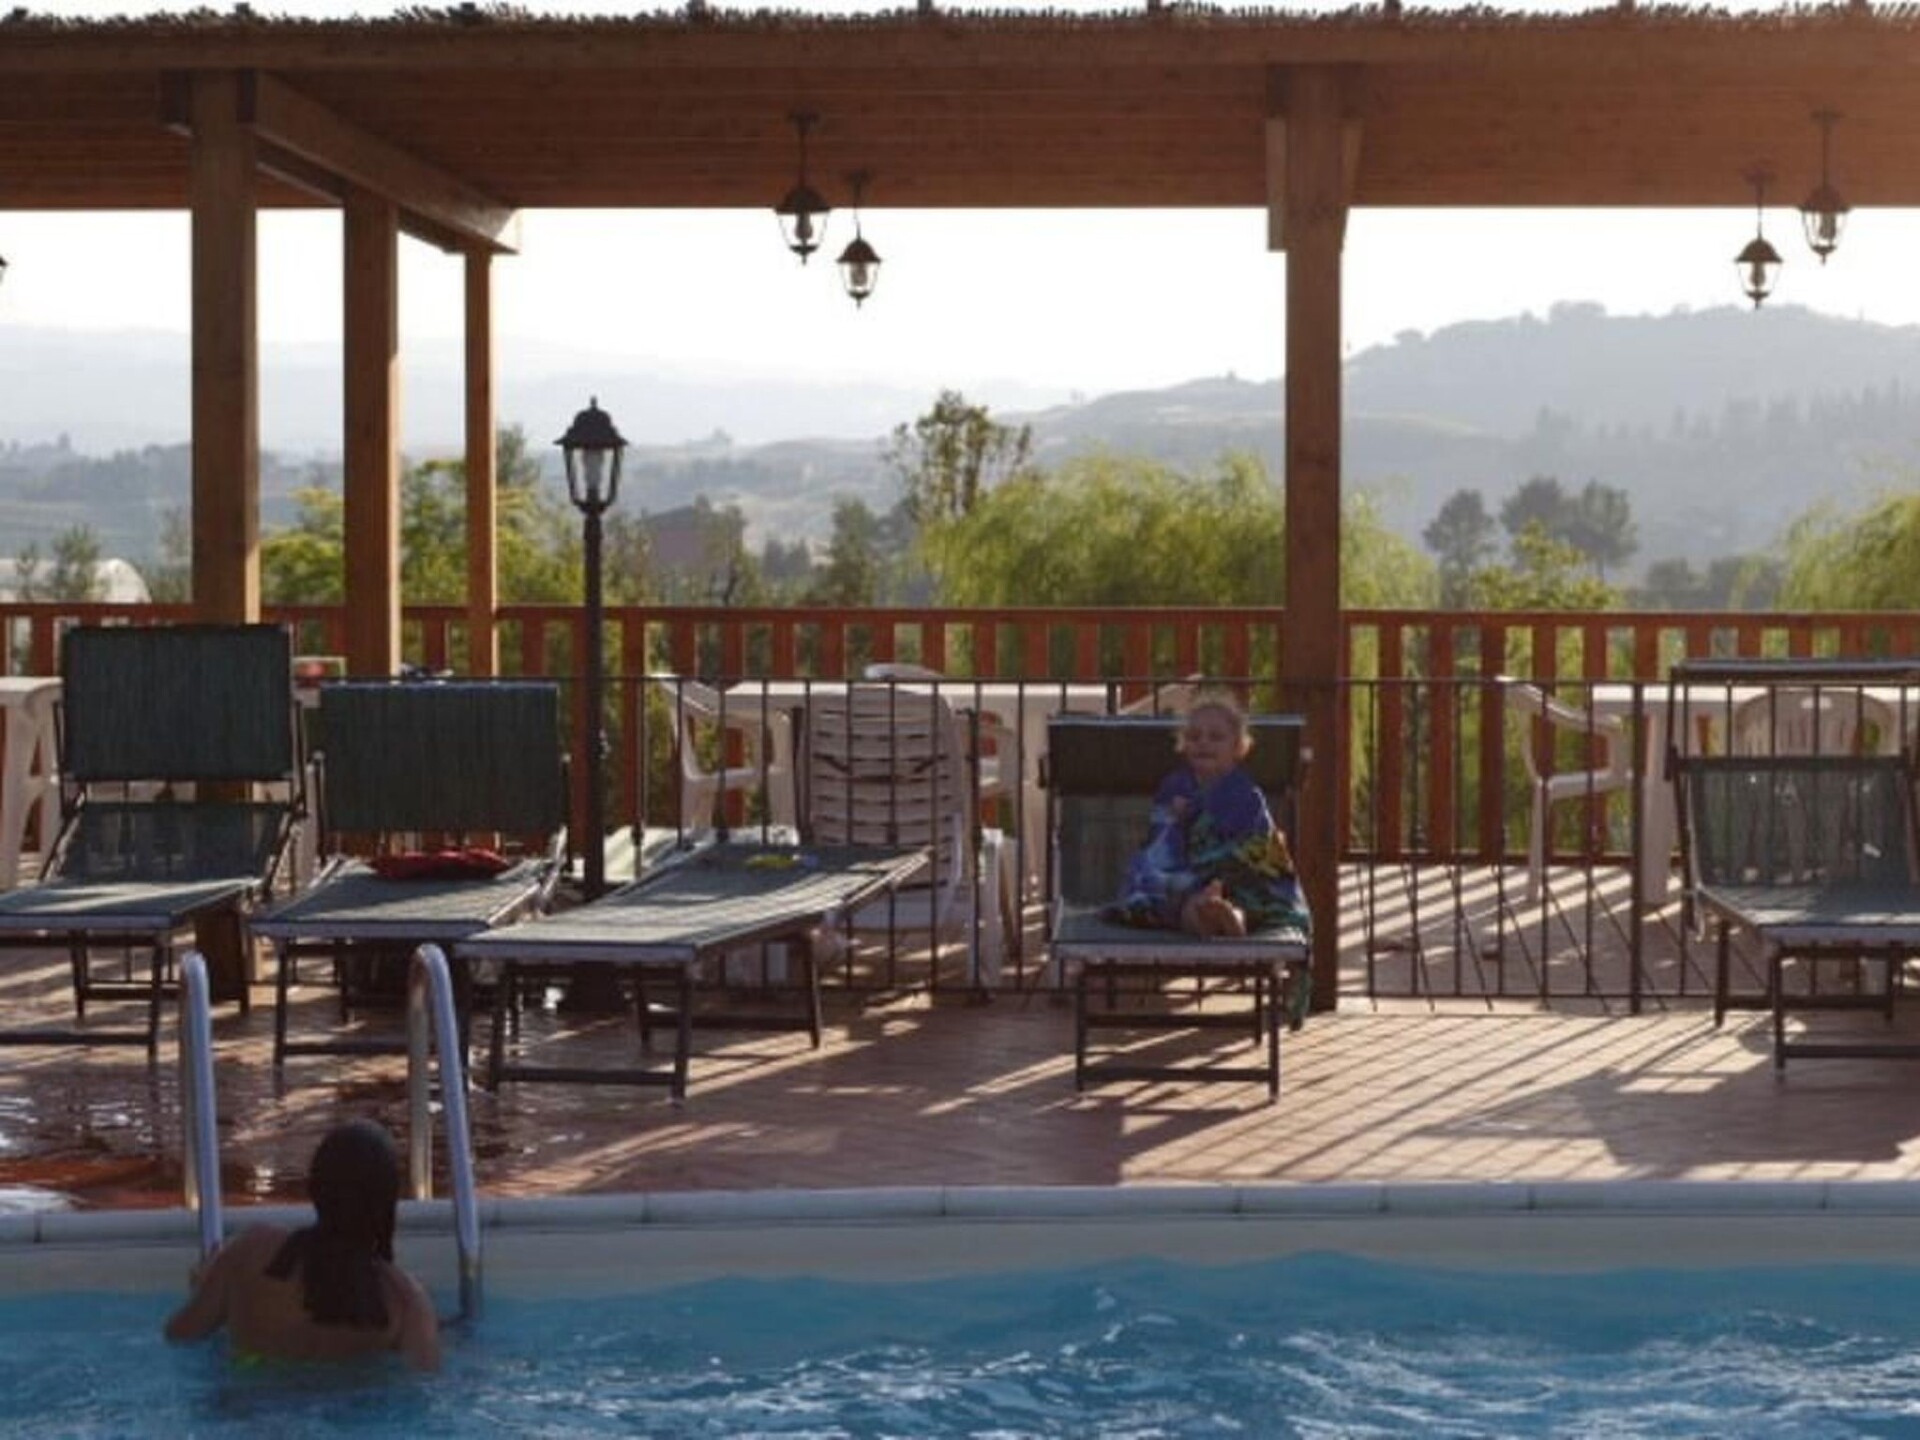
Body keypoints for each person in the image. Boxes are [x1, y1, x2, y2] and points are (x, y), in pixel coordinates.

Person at [164, 1119, 441, 1373]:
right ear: (387, 1208)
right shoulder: (406, 1303)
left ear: (314, 1188)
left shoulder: (249, 1252)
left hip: (250, 1402)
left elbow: (179, 1335)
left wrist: (204, 1288)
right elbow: (422, 1383)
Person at [1108, 695, 1310, 939]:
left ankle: (1231, 917)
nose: (1203, 743)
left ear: (1238, 747)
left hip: (1240, 877)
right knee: (1176, 900)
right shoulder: (1174, 786)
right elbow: (1161, 838)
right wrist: (1177, 817)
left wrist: (1198, 815)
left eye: (1216, 737)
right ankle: (1209, 917)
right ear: (1183, 744)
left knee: (1243, 900)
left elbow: (1256, 840)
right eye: (1194, 737)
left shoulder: (1244, 791)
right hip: (1184, 876)